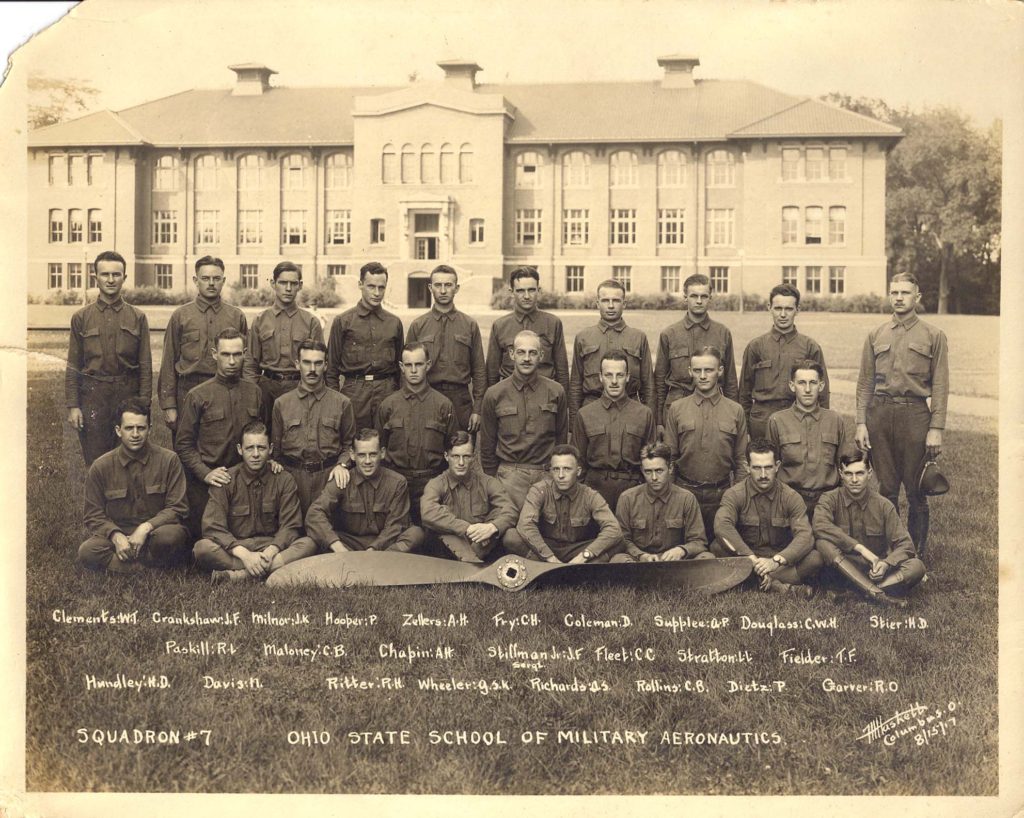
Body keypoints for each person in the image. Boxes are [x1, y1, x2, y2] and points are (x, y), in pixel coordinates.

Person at [855, 272, 949, 555]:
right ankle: (892, 549)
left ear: (917, 297)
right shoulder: (876, 335)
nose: (898, 298)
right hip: (880, 415)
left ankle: (915, 554)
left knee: (917, 490)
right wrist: (861, 422)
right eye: (894, 292)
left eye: (905, 293)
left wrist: (937, 428)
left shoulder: (934, 336)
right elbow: (865, 383)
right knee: (886, 490)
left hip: (915, 416)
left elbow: (941, 385)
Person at [193, 421, 315, 583]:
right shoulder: (226, 479)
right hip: (237, 548)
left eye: (261, 448)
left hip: (272, 546)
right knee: (202, 549)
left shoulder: (284, 479)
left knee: (309, 544)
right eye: (250, 448)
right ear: (240, 449)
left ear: (270, 449)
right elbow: (213, 527)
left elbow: (290, 526)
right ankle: (268, 569)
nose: (256, 454)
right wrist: (246, 555)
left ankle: (240, 576)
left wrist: (271, 551)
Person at [78, 398, 189, 574]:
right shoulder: (101, 466)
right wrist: (115, 535)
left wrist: (146, 528)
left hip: (155, 533)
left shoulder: (169, 460)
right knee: (87, 551)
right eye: (129, 428)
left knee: (171, 537)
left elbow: (177, 507)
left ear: (149, 429)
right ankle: (150, 568)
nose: (135, 434)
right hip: (119, 534)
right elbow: (93, 514)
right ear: (118, 430)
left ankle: (125, 566)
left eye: (141, 428)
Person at [174, 327, 265, 537]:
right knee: (201, 542)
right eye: (225, 355)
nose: (232, 361)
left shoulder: (255, 393)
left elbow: (263, 435)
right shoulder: (198, 395)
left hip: (247, 480)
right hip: (210, 481)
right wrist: (206, 473)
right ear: (215, 354)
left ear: (245, 354)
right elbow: (183, 444)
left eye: (237, 354)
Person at [65, 250, 152, 465]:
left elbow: (145, 366)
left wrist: (144, 405)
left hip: (127, 393)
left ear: (125, 277)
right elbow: (73, 366)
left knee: (131, 459)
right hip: (94, 397)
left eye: (116, 274)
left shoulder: (137, 317)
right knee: (97, 461)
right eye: (105, 274)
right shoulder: (81, 318)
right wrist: (73, 406)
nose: (111, 280)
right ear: (95, 278)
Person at [813, 450, 926, 606]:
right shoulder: (830, 499)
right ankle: (877, 594)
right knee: (822, 544)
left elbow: (906, 545)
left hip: (874, 571)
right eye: (848, 473)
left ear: (869, 473)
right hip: (842, 571)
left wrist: (886, 564)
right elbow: (819, 526)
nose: (854, 480)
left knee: (917, 566)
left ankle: (857, 593)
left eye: (859, 473)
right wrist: (861, 549)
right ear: (841, 474)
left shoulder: (883, 505)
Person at [713, 439, 823, 596]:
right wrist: (750, 558)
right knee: (717, 547)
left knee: (815, 558)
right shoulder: (734, 494)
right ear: (747, 467)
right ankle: (780, 587)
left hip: (778, 563)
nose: (763, 475)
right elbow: (722, 526)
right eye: (757, 468)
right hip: (747, 559)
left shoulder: (791, 497)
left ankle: (758, 581)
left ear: (777, 466)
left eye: (768, 468)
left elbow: (805, 536)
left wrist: (776, 561)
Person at [663, 346, 748, 542]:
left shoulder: (735, 411)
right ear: (690, 372)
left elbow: (741, 460)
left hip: (722, 495)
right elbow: (670, 459)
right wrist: (673, 496)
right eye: (697, 370)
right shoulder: (677, 409)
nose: (703, 376)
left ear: (720, 371)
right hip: (686, 493)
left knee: (720, 550)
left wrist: (736, 498)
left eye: (709, 370)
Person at [479, 329, 569, 513]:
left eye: (532, 353)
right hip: (509, 476)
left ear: (541, 356)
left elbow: (561, 439)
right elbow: (487, 446)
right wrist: (493, 482)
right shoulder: (495, 394)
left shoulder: (556, 391)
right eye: (521, 352)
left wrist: (554, 475)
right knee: (509, 535)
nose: (527, 358)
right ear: (512, 354)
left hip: (545, 476)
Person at [158, 256, 247, 433]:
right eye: (205, 278)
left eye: (216, 278)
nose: (211, 283)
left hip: (226, 388)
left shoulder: (236, 316)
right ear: (195, 280)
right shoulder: (181, 315)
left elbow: (245, 362)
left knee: (223, 445)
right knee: (186, 445)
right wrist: (169, 405)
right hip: (188, 387)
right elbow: (168, 361)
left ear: (224, 281)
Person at [298, 429, 424, 554]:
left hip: (385, 544)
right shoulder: (342, 479)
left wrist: (373, 549)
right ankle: (373, 562)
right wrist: (338, 547)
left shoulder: (397, 482)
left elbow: (395, 526)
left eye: (373, 454)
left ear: (382, 453)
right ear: (352, 455)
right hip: (349, 544)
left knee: (415, 534)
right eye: (362, 455)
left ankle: (375, 561)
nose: (367, 461)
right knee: (314, 539)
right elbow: (314, 514)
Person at [271, 340, 356, 514]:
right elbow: (276, 451)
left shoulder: (342, 403)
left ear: (325, 365)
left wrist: (342, 465)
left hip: (328, 477)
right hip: (293, 479)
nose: (312, 369)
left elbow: (349, 445)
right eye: (307, 362)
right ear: (297, 364)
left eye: (318, 363)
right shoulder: (282, 404)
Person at [377, 343, 458, 523]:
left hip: (432, 482)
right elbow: (379, 449)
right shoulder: (388, 405)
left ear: (428, 365)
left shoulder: (443, 405)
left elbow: (453, 450)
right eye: (408, 365)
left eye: (419, 364)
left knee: (432, 537)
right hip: (397, 481)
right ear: (401, 367)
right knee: (398, 531)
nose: (413, 370)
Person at [504, 444, 623, 564]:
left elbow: (613, 529)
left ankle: (570, 568)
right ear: (550, 471)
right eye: (556, 469)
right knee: (511, 537)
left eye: (567, 469)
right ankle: (555, 569)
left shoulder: (590, 495)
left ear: (578, 471)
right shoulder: (539, 490)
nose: (561, 475)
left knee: (619, 543)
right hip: (545, 547)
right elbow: (526, 525)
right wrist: (550, 557)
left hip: (576, 549)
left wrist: (584, 556)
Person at [739, 284, 830, 440]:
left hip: (798, 418)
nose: (783, 314)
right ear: (769, 308)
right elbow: (744, 392)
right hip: (762, 420)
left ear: (797, 310)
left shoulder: (810, 347)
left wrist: (822, 425)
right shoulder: (756, 346)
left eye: (788, 309)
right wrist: (744, 429)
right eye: (778, 308)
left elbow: (822, 392)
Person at [405, 264, 487, 432]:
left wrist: (477, 409)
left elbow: (479, 370)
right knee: (428, 452)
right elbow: (406, 369)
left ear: (456, 288)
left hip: (460, 400)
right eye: (438, 285)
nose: (443, 291)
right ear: (430, 287)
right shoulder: (418, 325)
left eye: (448, 285)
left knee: (461, 452)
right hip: (425, 396)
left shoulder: (469, 325)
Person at [768, 360, 854, 517]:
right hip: (790, 500)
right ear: (792, 386)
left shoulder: (835, 421)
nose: (807, 389)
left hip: (827, 500)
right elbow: (770, 467)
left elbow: (844, 466)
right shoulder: (777, 421)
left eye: (813, 383)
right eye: (801, 383)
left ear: (821, 386)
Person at [325, 261, 404, 429]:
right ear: (360, 285)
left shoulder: (394, 323)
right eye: (371, 286)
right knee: (354, 443)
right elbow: (331, 368)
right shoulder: (343, 321)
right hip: (355, 392)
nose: (377, 293)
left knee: (387, 442)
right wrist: (335, 401)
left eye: (381, 288)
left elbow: (400, 368)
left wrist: (399, 397)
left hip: (387, 390)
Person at [654, 273, 737, 430]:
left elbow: (730, 381)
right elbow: (659, 382)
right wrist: (659, 421)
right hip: (677, 406)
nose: (699, 301)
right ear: (685, 298)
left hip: (714, 405)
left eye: (704, 296)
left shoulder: (722, 333)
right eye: (694, 296)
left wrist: (734, 417)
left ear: (710, 298)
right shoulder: (670, 334)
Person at [573, 351, 655, 510]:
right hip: (594, 493)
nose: (614, 381)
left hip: (634, 492)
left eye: (619, 375)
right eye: (609, 375)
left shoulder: (644, 414)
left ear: (628, 377)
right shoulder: (585, 414)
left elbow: (651, 461)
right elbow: (578, 462)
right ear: (601, 377)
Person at [420, 431, 518, 563]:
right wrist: (467, 528)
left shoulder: (487, 482)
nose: (461, 462)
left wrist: (492, 527)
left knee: (499, 517)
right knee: (437, 524)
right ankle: (470, 563)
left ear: (473, 457)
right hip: (447, 548)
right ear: (446, 456)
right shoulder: (436, 484)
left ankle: (470, 561)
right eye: (455, 456)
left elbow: (510, 509)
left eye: (466, 456)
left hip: (481, 544)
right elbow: (427, 512)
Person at [243, 260, 325, 416]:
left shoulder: (311, 322)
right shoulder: (260, 320)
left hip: (300, 388)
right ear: (273, 284)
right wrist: (253, 395)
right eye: (283, 283)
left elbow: (320, 363)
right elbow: (251, 363)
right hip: (267, 389)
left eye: (293, 283)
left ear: (300, 285)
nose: (288, 288)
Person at [568, 278, 654, 426]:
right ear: (597, 303)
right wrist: (573, 424)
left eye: (616, 300)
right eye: (605, 300)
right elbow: (576, 383)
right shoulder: (584, 337)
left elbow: (648, 384)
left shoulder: (638, 337)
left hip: (630, 408)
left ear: (624, 304)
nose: (611, 305)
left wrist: (652, 421)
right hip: (591, 407)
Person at [614, 442, 712, 562]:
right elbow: (622, 540)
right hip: (638, 563)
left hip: (676, 563)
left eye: (659, 471)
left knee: (707, 558)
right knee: (618, 559)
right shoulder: (627, 498)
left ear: (670, 468)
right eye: (648, 471)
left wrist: (681, 550)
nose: (654, 477)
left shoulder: (686, 498)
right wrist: (641, 555)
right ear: (641, 470)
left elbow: (699, 541)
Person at [485, 266, 569, 392]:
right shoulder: (500, 326)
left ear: (538, 290)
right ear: (511, 291)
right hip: (510, 395)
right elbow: (492, 373)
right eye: (520, 291)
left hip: (545, 395)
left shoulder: (553, 323)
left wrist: (564, 404)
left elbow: (562, 370)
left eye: (531, 290)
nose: (526, 296)